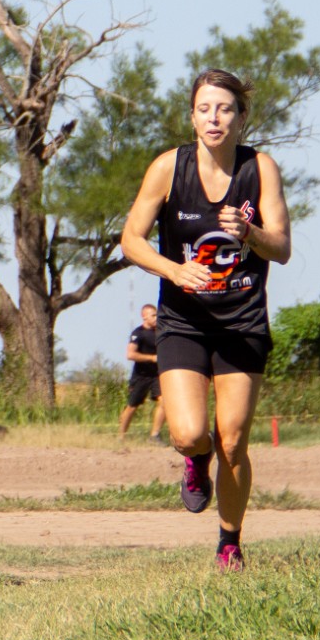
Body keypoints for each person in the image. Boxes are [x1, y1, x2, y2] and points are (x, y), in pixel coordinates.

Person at [120, 68, 292, 573]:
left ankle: (230, 542)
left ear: (241, 117)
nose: (214, 118)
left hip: (242, 322)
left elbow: (281, 248)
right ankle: (197, 460)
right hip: (184, 320)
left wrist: (252, 231)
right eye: (204, 109)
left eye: (225, 109)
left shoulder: (261, 169)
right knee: (191, 433)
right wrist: (174, 269)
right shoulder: (168, 168)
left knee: (235, 438)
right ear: (192, 116)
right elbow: (131, 240)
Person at [117, 304, 167, 440]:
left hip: (157, 375)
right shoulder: (137, 333)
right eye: (153, 315)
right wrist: (152, 358)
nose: (156, 318)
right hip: (141, 376)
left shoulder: (161, 331)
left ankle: (155, 435)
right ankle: (121, 436)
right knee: (132, 406)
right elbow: (130, 355)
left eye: (156, 315)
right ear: (144, 316)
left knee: (164, 402)